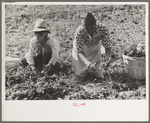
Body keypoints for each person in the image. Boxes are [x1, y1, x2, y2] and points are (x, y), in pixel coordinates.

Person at [72, 12, 111, 80]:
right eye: (87, 28)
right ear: (84, 27)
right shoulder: (80, 31)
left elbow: (107, 46)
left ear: (95, 24)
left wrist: (107, 58)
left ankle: (95, 68)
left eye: (92, 28)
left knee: (98, 74)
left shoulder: (103, 29)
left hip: (95, 47)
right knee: (81, 74)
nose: (90, 30)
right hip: (83, 48)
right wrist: (87, 63)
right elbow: (79, 51)